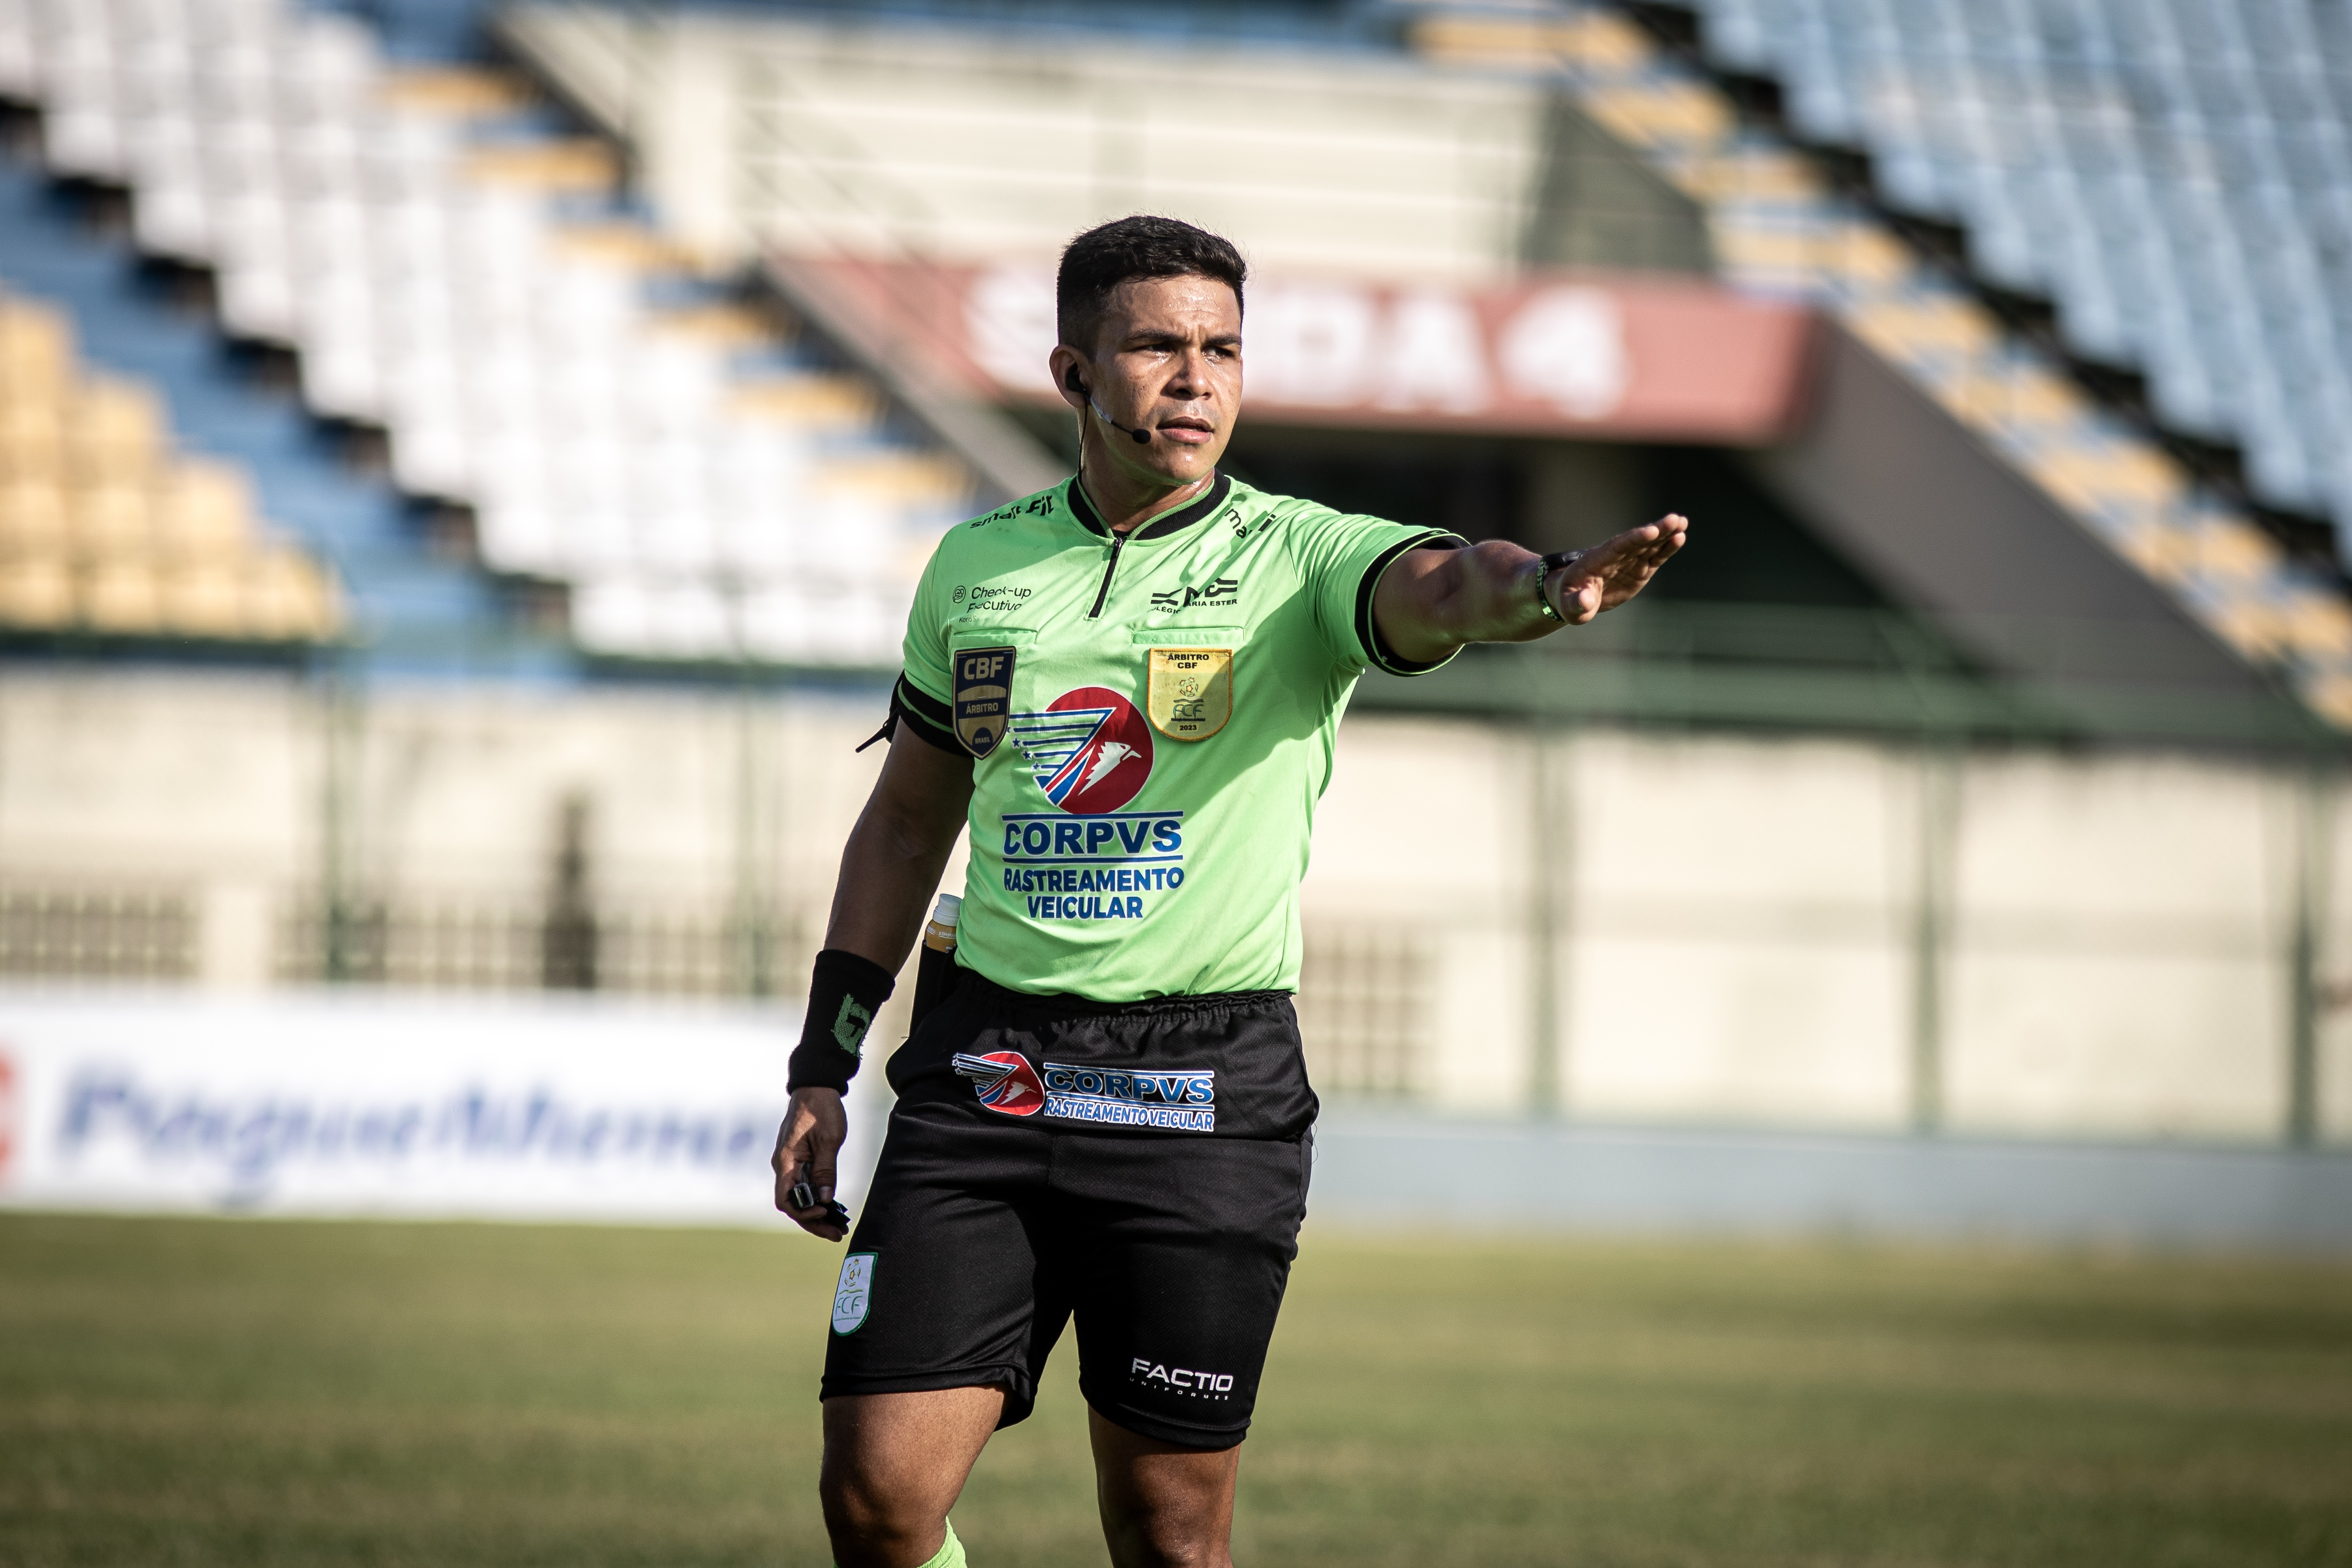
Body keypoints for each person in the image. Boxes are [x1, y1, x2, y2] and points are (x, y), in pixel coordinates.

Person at [771, 214, 1688, 1568]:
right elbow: (907, 825)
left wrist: (1545, 588)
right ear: (1074, 373)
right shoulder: (975, 567)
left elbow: (1445, 585)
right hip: (987, 1069)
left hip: (1200, 1091)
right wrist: (823, 1064)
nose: (1196, 379)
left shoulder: (1300, 557)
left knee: (1169, 1531)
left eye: (1222, 351)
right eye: (1156, 347)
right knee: (876, 1500)